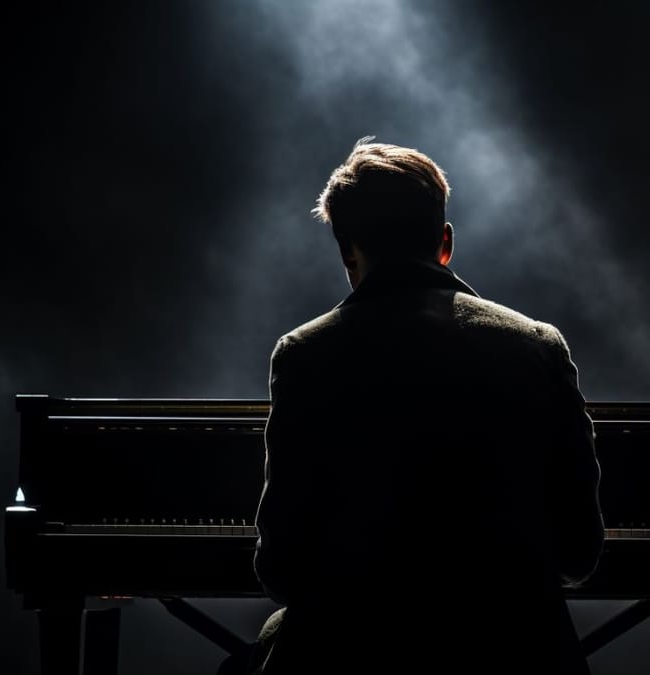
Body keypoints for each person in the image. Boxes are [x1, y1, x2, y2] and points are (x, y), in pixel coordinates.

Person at [249, 137, 603, 675]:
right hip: (517, 657)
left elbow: (281, 569)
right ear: (446, 242)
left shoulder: (304, 355)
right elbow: (580, 551)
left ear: (347, 249)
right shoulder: (537, 346)